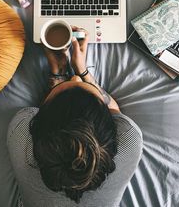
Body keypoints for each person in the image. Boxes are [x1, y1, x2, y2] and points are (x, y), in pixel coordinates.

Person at [7, 27, 143, 207]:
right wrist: (83, 71)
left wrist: (58, 73)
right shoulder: (130, 139)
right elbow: (113, 110)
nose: (76, 79)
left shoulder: (21, 129)